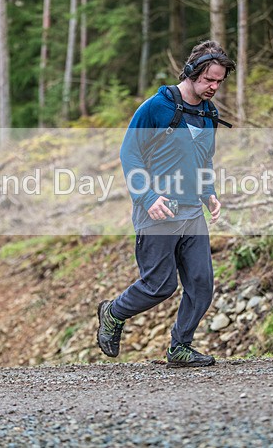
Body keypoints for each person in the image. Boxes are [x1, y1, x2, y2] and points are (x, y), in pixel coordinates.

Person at [96, 40, 235, 368]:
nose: (214, 87)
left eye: (219, 81)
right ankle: (112, 313)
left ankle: (180, 347)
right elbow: (129, 154)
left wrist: (208, 193)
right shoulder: (156, 108)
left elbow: (204, 159)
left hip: (192, 213)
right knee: (159, 285)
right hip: (157, 211)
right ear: (190, 72)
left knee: (201, 284)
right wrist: (147, 197)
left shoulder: (208, 113)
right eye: (209, 80)